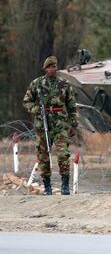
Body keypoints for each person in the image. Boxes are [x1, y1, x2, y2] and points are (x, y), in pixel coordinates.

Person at [23, 56, 78, 195]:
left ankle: (65, 185)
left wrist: (73, 124)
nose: (53, 69)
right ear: (45, 69)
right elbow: (27, 101)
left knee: (63, 154)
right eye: (50, 67)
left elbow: (71, 105)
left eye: (55, 66)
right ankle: (47, 186)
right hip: (42, 124)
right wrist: (36, 110)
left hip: (60, 123)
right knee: (43, 155)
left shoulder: (64, 84)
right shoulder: (37, 84)